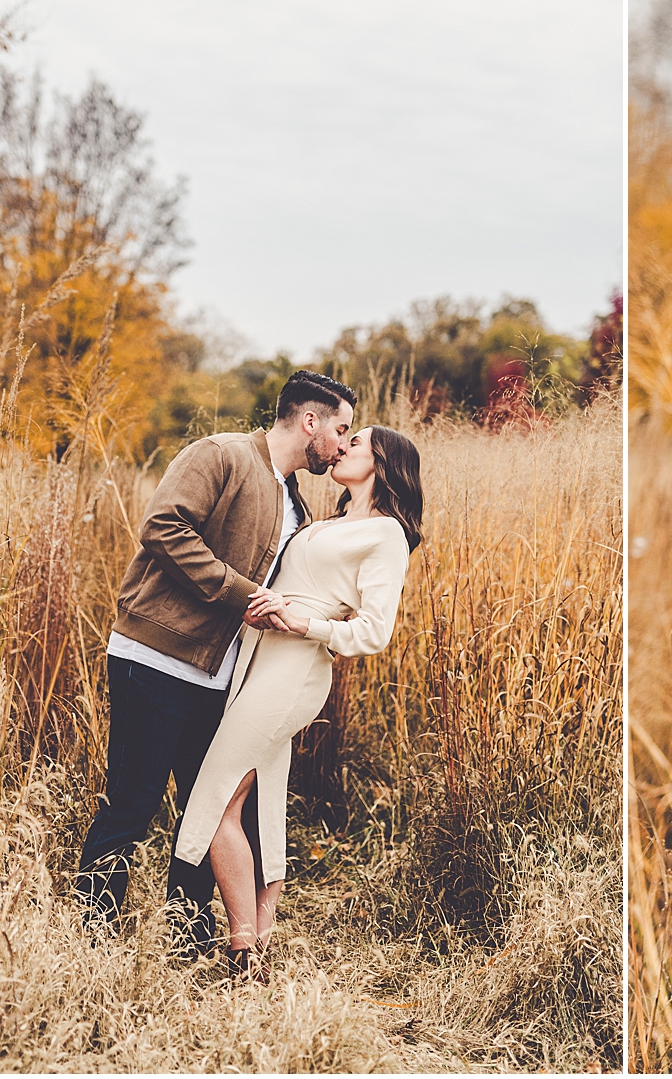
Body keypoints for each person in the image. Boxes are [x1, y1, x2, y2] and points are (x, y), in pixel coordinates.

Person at [75, 371, 355, 952]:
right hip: (155, 657)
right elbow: (163, 525)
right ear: (310, 421)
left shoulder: (296, 506)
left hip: (219, 680)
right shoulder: (221, 455)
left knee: (204, 813)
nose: (342, 443)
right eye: (341, 428)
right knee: (132, 803)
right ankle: (90, 941)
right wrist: (241, 594)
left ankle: (189, 943)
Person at [173, 425, 423, 974]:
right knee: (263, 807)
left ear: (381, 462)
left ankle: (242, 951)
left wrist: (303, 622)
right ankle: (260, 939)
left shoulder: (386, 535)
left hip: (295, 669)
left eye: (354, 441)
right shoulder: (326, 522)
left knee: (215, 800)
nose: (341, 447)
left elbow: (374, 633)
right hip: (256, 659)